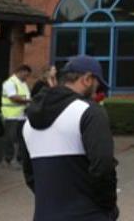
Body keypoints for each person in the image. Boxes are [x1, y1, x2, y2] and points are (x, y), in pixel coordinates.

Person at [20, 55, 117, 221]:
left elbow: (30, 175)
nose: (96, 93)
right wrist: (107, 206)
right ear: (87, 79)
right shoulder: (89, 112)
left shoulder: (28, 123)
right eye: (97, 86)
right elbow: (103, 165)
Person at [1, 64, 32, 168]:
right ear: (21, 71)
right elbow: (13, 98)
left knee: (20, 138)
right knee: (11, 138)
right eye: (26, 75)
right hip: (11, 115)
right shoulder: (10, 83)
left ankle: (18, 159)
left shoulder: (23, 84)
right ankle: (8, 159)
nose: (26, 77)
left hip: (21, 115)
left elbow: (25, 96)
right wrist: (29, 101)